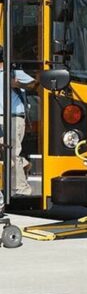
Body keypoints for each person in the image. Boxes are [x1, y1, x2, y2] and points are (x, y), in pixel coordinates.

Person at [0, 46, 36, 197]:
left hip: (13, 116)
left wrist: (17, 84)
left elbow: (34, 84)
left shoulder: (13, 72)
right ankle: (24, 163)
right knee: (8, 151)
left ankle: (22, 189)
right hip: (1, 116)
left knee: (12, 152)